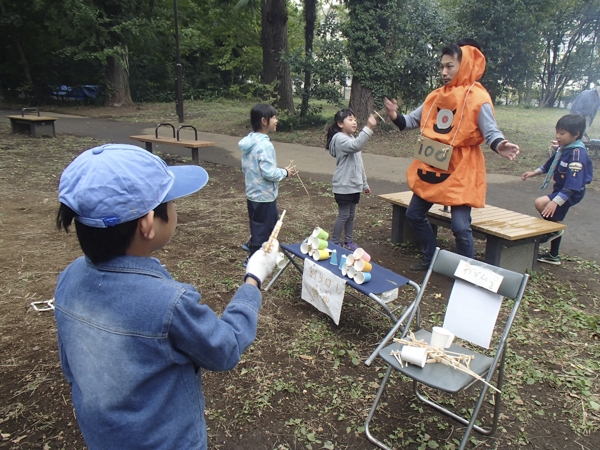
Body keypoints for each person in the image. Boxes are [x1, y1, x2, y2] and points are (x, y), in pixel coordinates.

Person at [54, 144, 279, 449]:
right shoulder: (169, 304)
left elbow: (71, 367)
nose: (175, 209)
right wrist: (254, 278)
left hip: (102, 437)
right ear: (147, 224)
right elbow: (224, 349)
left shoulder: (69, 277)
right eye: (170, 201)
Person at [383, 39, 520, 271]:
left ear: (463, 65)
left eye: (450, 66)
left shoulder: (477, 97)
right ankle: (431, 257)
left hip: (461, 169)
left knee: (460, 226)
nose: (444, 72)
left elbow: (490, 130)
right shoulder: (435, 96)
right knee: (414, 214)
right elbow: (410, 121)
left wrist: (500, 145)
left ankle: (467, 271)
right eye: (441, 67)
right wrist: (395, 115)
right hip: (432, 166)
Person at [521, 114, 593, 265]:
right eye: (557, 132)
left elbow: (573, 184)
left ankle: (553, 230)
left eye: (562, 133)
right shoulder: (564, 149)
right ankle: (553, 255)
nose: (558, 136)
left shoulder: (576, 155)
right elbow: (550, 163)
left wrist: (555, 202)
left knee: (541, 204)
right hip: (561, 188)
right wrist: (535, 172)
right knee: (555, 218)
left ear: (576, 134)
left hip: (571, 192)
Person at [239, 103, 295, 260]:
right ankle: (254, 258)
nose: (277, 120)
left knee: (258, 224)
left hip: (252, 194)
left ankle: (252, 243)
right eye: (274, 117)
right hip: (265, 196)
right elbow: (269, 173)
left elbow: (245, 167)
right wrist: (284, 172)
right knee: (267, 228)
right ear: (264, 121)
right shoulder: (265, 145)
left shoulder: (249, 142)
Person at [325, 108, 377, 251]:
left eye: (354, 119)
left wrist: (364, 183)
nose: (354, 122)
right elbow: (356, 146)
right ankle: (334, 243)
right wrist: (369, 127)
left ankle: (348, 242)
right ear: (340, 124)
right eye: (350, 119)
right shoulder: (340, 139)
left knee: (351, 215)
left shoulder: (351, 138)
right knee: (344, 215)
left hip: (354, 185)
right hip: (343, 185)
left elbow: (358, 164)